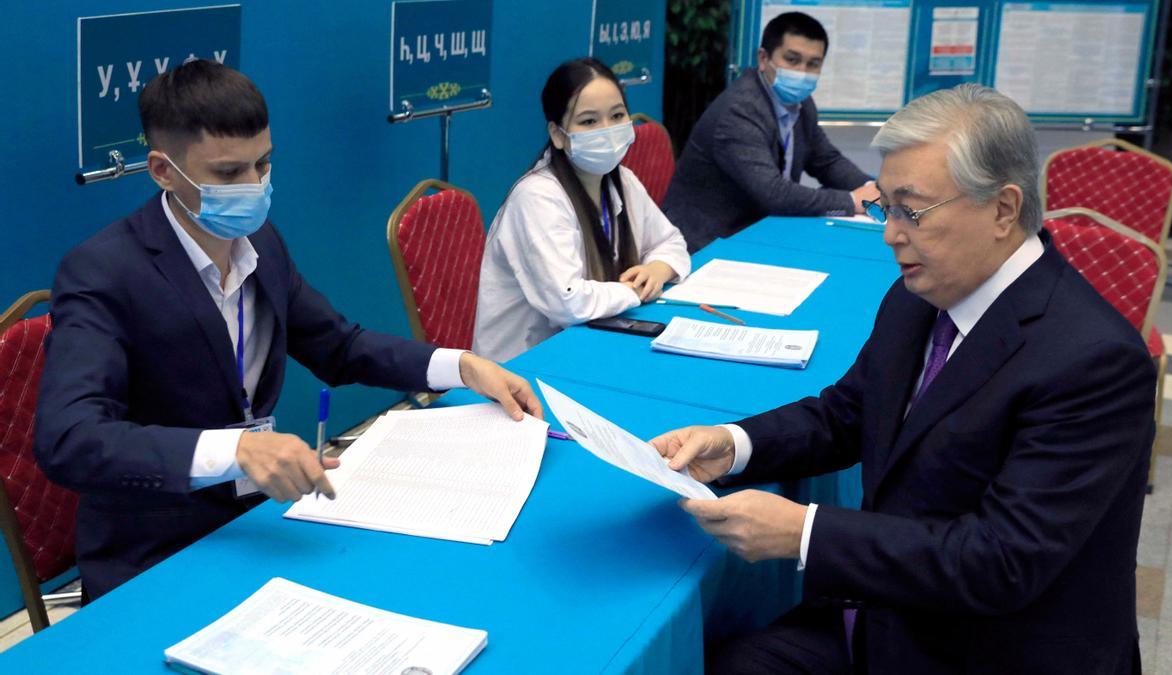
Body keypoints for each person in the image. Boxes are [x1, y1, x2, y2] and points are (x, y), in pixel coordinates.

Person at [651, 84, 1155, 673]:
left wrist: (806, 534)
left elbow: (1001, 563)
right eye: (884, 207)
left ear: (1002, 208)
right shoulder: (920, 294)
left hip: (985, 647)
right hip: (882, 609)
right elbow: (850, 411)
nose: (891, 234)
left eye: (911, 211)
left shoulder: (1093, 360)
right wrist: (734, 446)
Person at [34, 60, 542, 601]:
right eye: (229, 174)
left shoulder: (263, 244)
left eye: (264, 164)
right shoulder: (104, 271)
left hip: (261, 525)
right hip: (159, 553)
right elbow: (70, 439)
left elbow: (340, 346)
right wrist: (237, 452)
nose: (253, 187)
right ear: (162, 170)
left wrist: (459, 365)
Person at [472, 57, 690, 363]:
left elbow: (671, 242)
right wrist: (633, 291)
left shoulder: (622, 180)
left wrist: (657, 268)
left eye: (617, 116)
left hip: (592, 346)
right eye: (589, 121)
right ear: (559, 134)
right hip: (524, 369)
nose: (607, 130)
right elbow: (568, 300)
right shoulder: (537, 197)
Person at [662, 12, 879, 252]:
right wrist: (851, 201)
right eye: (792, 59)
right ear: (764, 58)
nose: (802, 72)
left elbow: (827, 161)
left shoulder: (803, 104)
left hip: (764, 228)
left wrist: (876, 190)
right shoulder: (739, 111)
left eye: (813, 64)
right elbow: (773, 193)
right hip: (706, 242)